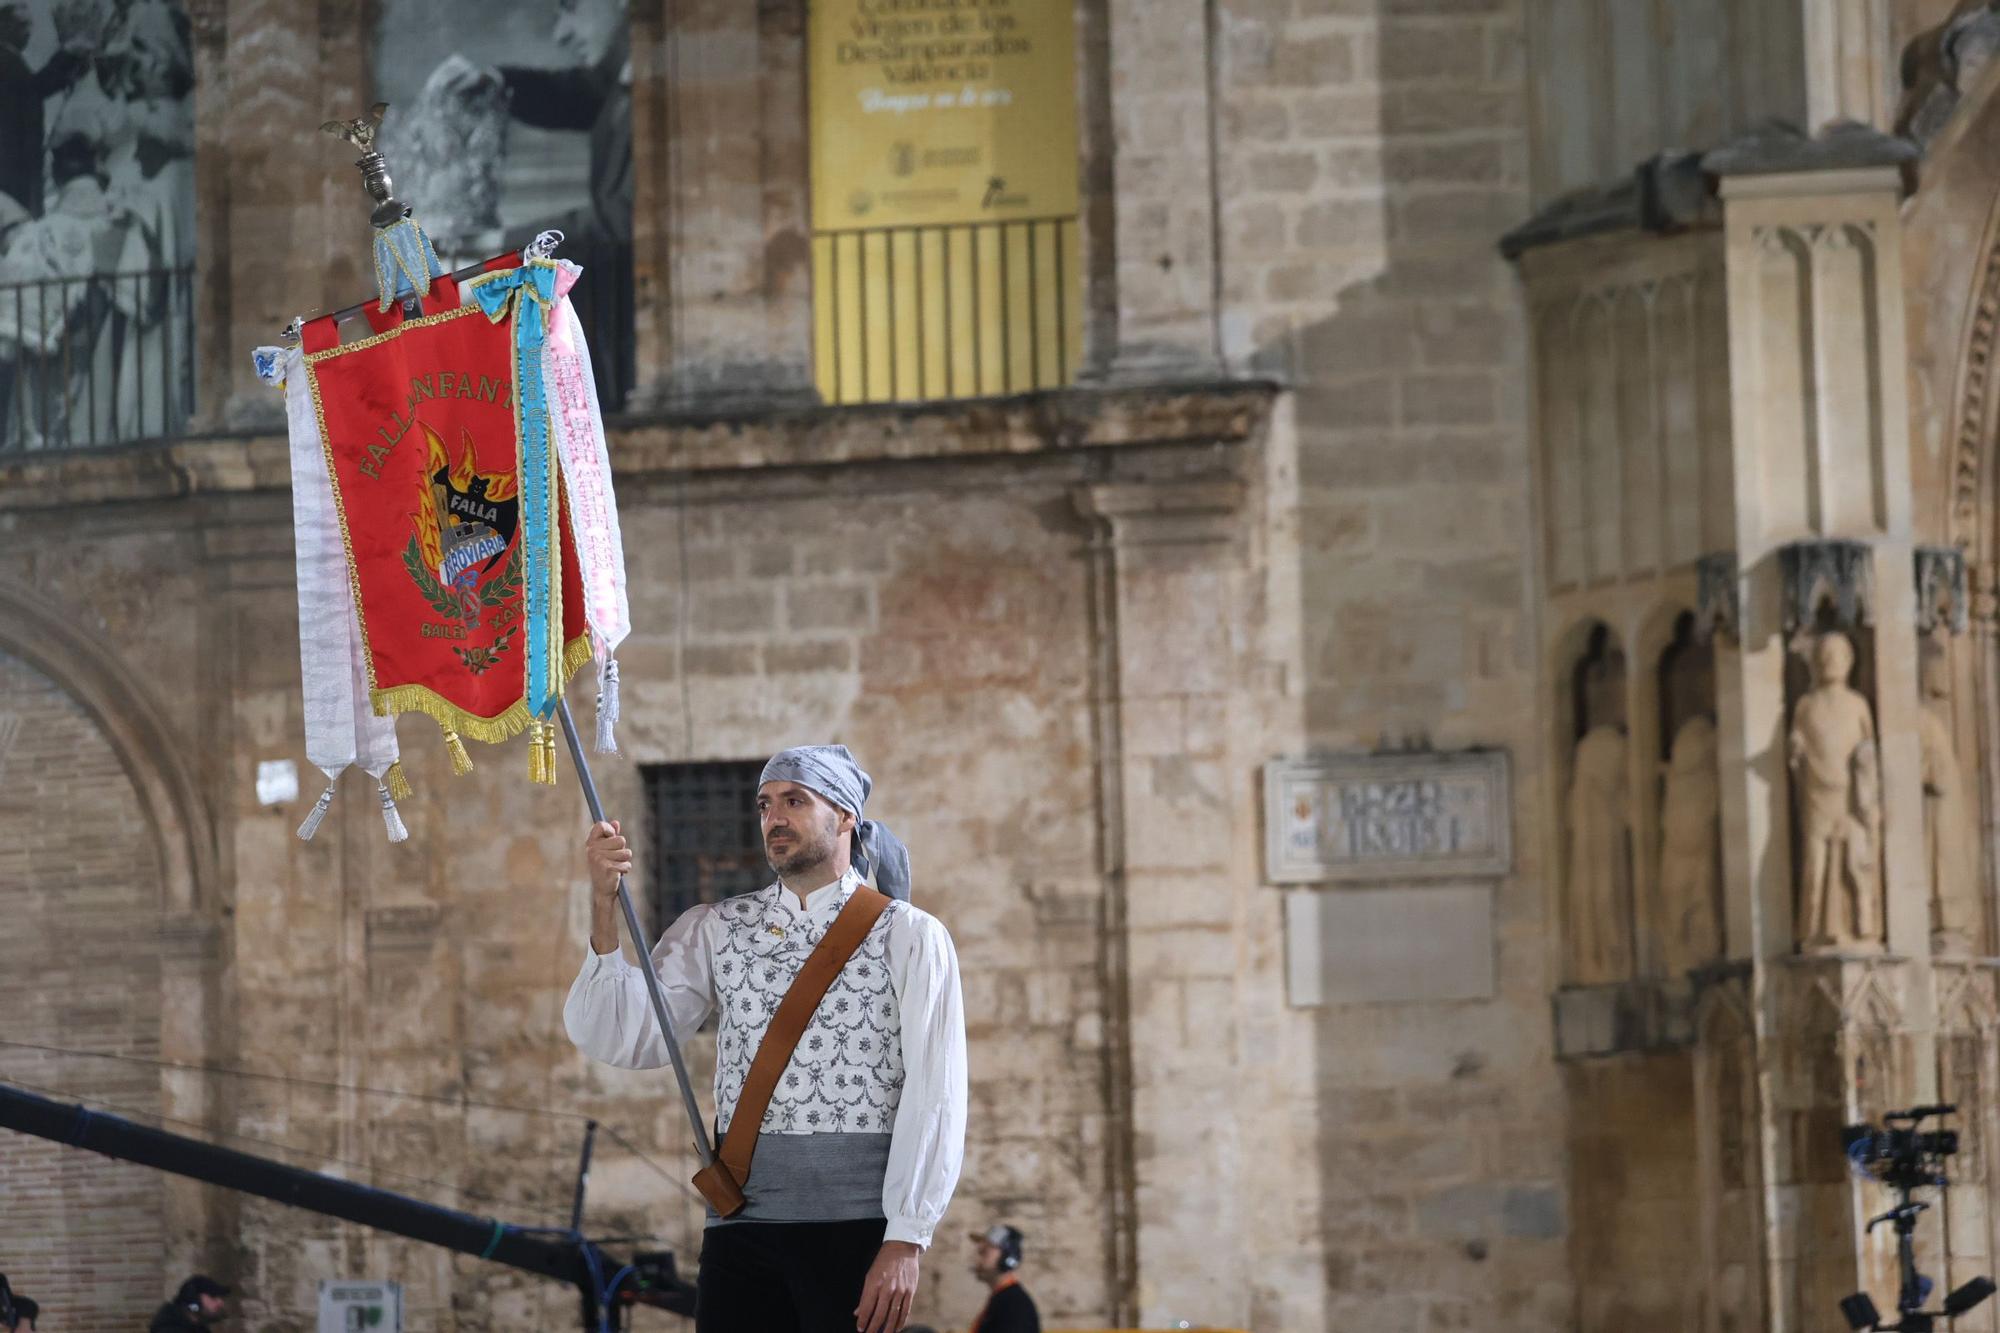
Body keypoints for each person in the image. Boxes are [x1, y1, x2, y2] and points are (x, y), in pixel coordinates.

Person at [566, 744, 967, 1333]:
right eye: (764, 804)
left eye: (794, 801)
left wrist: (907, 1236)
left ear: (847, 818)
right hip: (742, 1228)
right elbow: (633, 1033)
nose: (774, 818)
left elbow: (937, 1093)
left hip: (855, 1231)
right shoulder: (715, 928)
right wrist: (603, 903)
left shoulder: (909, 937)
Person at [967, 1225, 1040, 1333]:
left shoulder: (1015, 1306)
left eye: (984, 1252)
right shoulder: (1003, 1299)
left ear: (1007, 1258)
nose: (976, 1259)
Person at [148, 1275, 230, 1331]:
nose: (220, 1303)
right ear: (194, 1300)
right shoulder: (168, 1328)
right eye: (213, 1297)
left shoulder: (198, 1327)